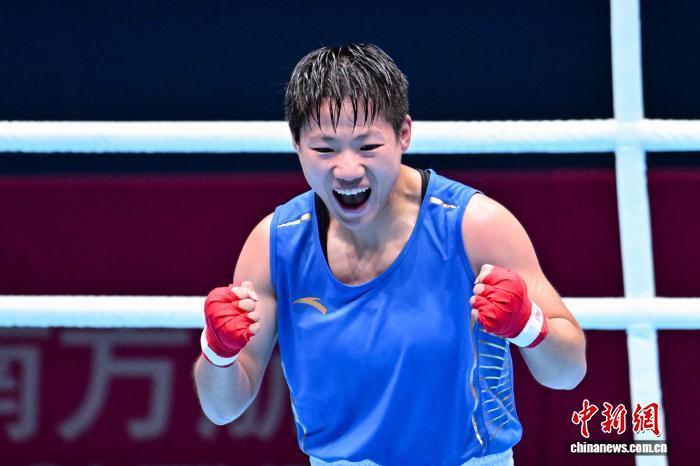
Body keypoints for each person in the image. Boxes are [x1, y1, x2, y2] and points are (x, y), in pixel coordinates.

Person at [193, 43, 586, 466]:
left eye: (367, 147)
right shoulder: (275, 244)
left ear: (403, 134)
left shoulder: (475, 226)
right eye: (324, 149)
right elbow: (222, 409)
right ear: (296, 143)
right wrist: (218, 351)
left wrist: (528, 324)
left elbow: (568, 372)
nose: (347, 170)